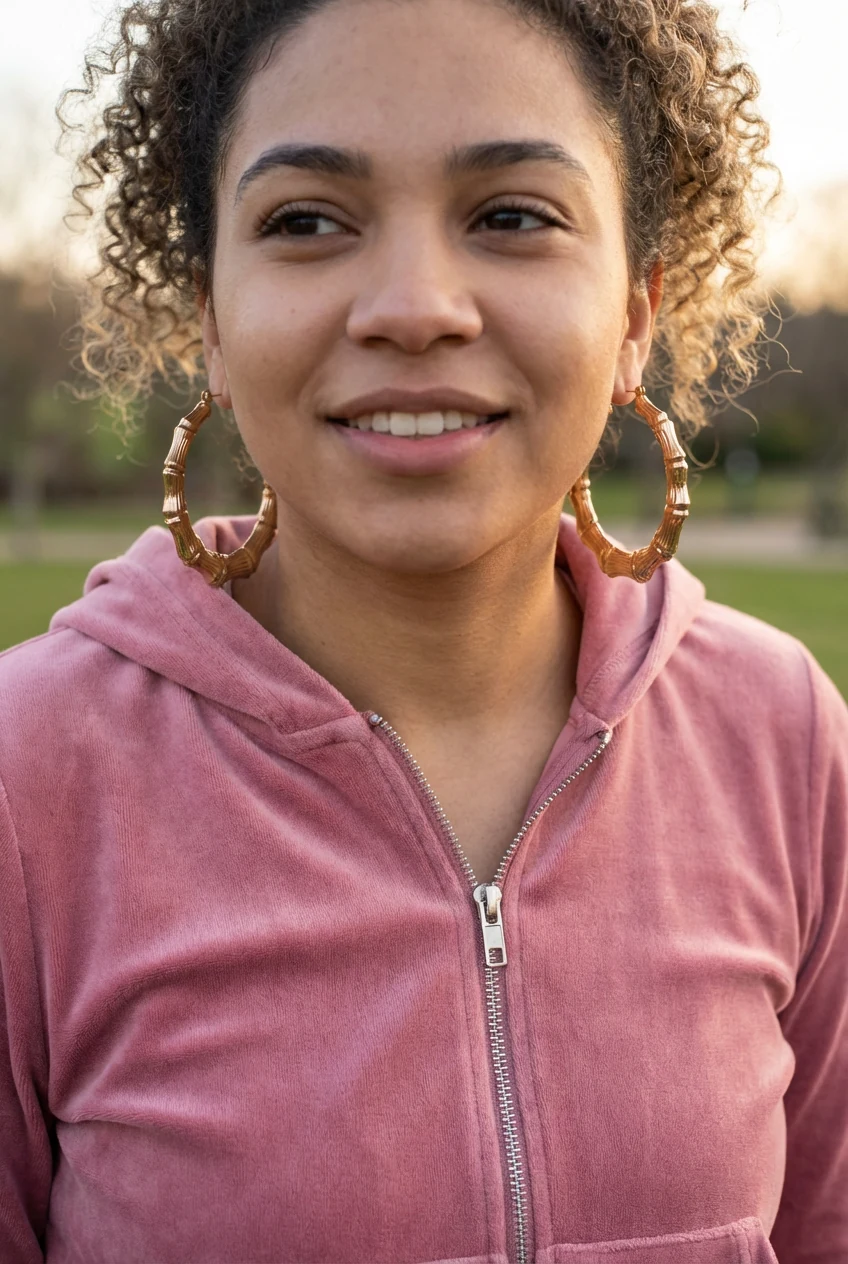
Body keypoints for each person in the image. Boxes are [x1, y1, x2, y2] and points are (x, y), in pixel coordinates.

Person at [1, 0, 846, 1259]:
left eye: (510, 215)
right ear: (213, 320)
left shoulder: (782, 737)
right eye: (305, 222)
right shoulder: (28, 778)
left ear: (633, 314)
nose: (411, 306)